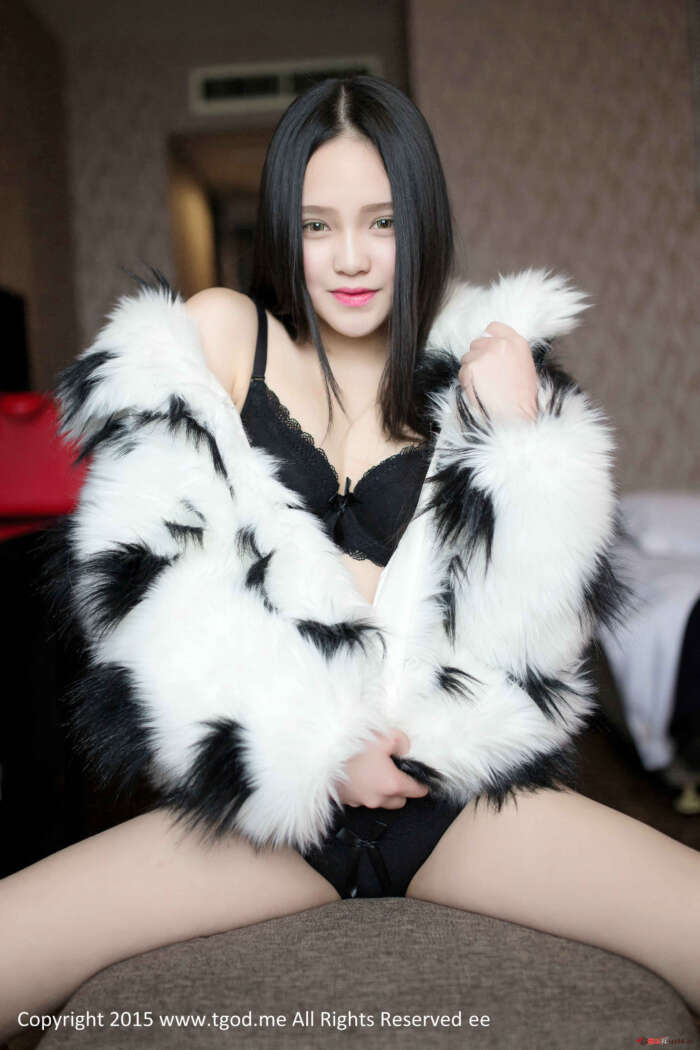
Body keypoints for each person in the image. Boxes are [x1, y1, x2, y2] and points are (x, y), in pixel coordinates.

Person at [1, 74, 698, 1041]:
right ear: (281, 232)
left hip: (454, 806)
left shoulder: (482, 357)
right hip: (273, 810)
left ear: (421, 220)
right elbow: (150, 587)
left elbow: (539, 639)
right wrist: (317, 744)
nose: (353, 258)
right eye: (317, 226)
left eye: (382, 222)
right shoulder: (221, 335)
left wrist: (522, 440)